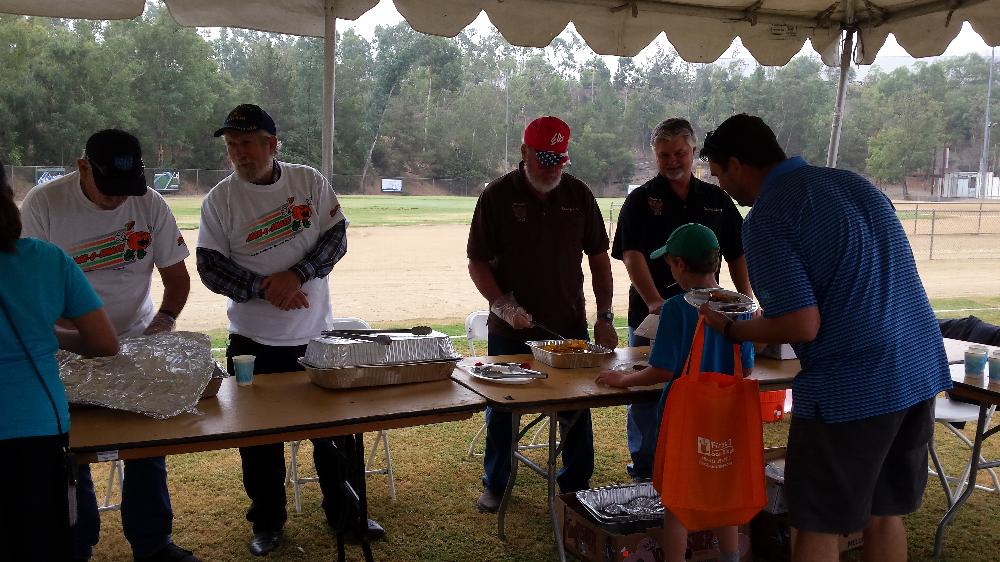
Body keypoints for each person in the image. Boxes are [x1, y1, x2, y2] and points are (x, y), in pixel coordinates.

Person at [697, 114, 951, 562]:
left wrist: (733, 328)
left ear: (737, 165)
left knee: (815, 523)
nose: (722, 188)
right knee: (884, 512)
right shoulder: (854, 184)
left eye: (719, 176)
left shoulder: (768, 217)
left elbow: (801, 324)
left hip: (853, 386)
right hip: (917, 367)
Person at [196, 104, 383, 556]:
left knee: (336, 433)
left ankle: (347, 515)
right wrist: (265, 287)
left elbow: (336, 239)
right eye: (231, 145)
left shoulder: (309, 182)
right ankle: (267, 523)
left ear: (271, 144)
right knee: (259, 443)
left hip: (316, 336)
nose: (238, 153)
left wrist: (296, 275)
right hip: (251, 345)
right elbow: (209, 268)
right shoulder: (219, 200)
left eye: (246, 143)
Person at [19, 130, 196, 562]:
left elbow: (177, 278)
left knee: (146, 449)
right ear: (83, 167)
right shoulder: (44, 205)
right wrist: (78, 339)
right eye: (110, 189)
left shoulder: (150, 202)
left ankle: (153, 544)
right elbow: (30, 288)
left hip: (135, 341)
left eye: (127, 189)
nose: (120, 200)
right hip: (65, 350)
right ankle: (77, 545)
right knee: (71, 452)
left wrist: (163, 322)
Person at [467, 115, 619, 513]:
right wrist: (504, 304)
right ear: (524, 152)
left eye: (558, 159)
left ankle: (575, 484)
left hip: (568, 326)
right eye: (543, 158)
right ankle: (496, 483)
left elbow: (600, 262)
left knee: (576, 405)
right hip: (509, 330)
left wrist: (605, 317)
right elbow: (477, 262)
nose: (551, 167)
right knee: (503, 408)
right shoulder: (497, 196)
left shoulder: (579, 195)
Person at [596, 223, 753, 562]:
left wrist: (622, 379)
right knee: (723, 488)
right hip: (727, 417)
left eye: (669, 264)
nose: (670, 271)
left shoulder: (676, 307)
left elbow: (663, 370)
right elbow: (748, 366)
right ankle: (730, 557)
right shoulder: (742, 306)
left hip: (686, 417)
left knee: (678, 497)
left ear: (680, 264)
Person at [611, 117, 751, 482]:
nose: (672, 161)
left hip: (712, 313)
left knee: (707, 387)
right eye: (663, 155)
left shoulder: (718, 199)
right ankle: (647, 466)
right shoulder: (641, 199)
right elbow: (631, 254)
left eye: (679, 153)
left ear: (693, 153)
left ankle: (698, 457)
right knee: (648, 390)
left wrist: (746, 302)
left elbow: (737, 253)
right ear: (654, 155)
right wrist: (656, 301)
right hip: (653, 315)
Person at [0, 164, 119, 561]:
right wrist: (44, 334)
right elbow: (104, 343)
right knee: (45, 540)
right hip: (37, 425)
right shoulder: (47, 259)